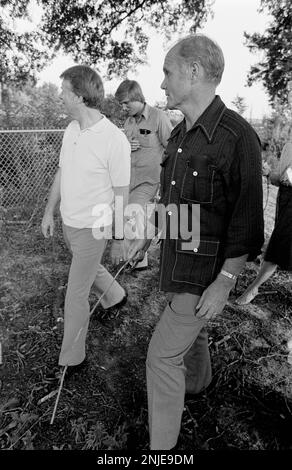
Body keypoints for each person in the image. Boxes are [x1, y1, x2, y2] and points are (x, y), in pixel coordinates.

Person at [126, 34, 264, 450]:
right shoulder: (181, 134)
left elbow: (248, 223)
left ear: (193, 71)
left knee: (161, 357)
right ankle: (200, 383)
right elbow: (175, 203)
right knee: (193, 332)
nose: (162, 82)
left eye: (167, 72)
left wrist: (225, 281)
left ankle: (161, 452)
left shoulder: (237, 137)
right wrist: (149, 238)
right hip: (179, 262)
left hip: (204, 274)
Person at [41, 65, 131, 370]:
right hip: (69, 222)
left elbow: (121, 194)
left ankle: (72, 358)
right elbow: (62, 172)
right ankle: (116, 295)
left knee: (75, 294)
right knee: (89, 269)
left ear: (79, 96)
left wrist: (118, 238)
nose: (60, 96)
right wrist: (49, 211)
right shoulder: (71, 130)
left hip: (94, 227)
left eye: (64, 90)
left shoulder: (113, 139)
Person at [111, 79, 173, 269]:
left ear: (137, 98)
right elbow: (124, 149)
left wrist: (168, 181)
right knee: (125, 216)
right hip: (129, 178)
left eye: (126, 102)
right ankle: (138, 259)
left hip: (149, 180)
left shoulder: (159, 117)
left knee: (130, 214)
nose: (123, 107)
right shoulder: (129, 122)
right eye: (121, 103)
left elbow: (172, 147)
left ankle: (130, 259)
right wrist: (126, 146)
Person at [236, 129, 292, 305]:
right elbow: (279, 179)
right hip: (285, 197)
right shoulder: (289, 146)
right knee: (279, 243)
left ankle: (253, 288)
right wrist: (268, 172)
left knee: (277, 245)